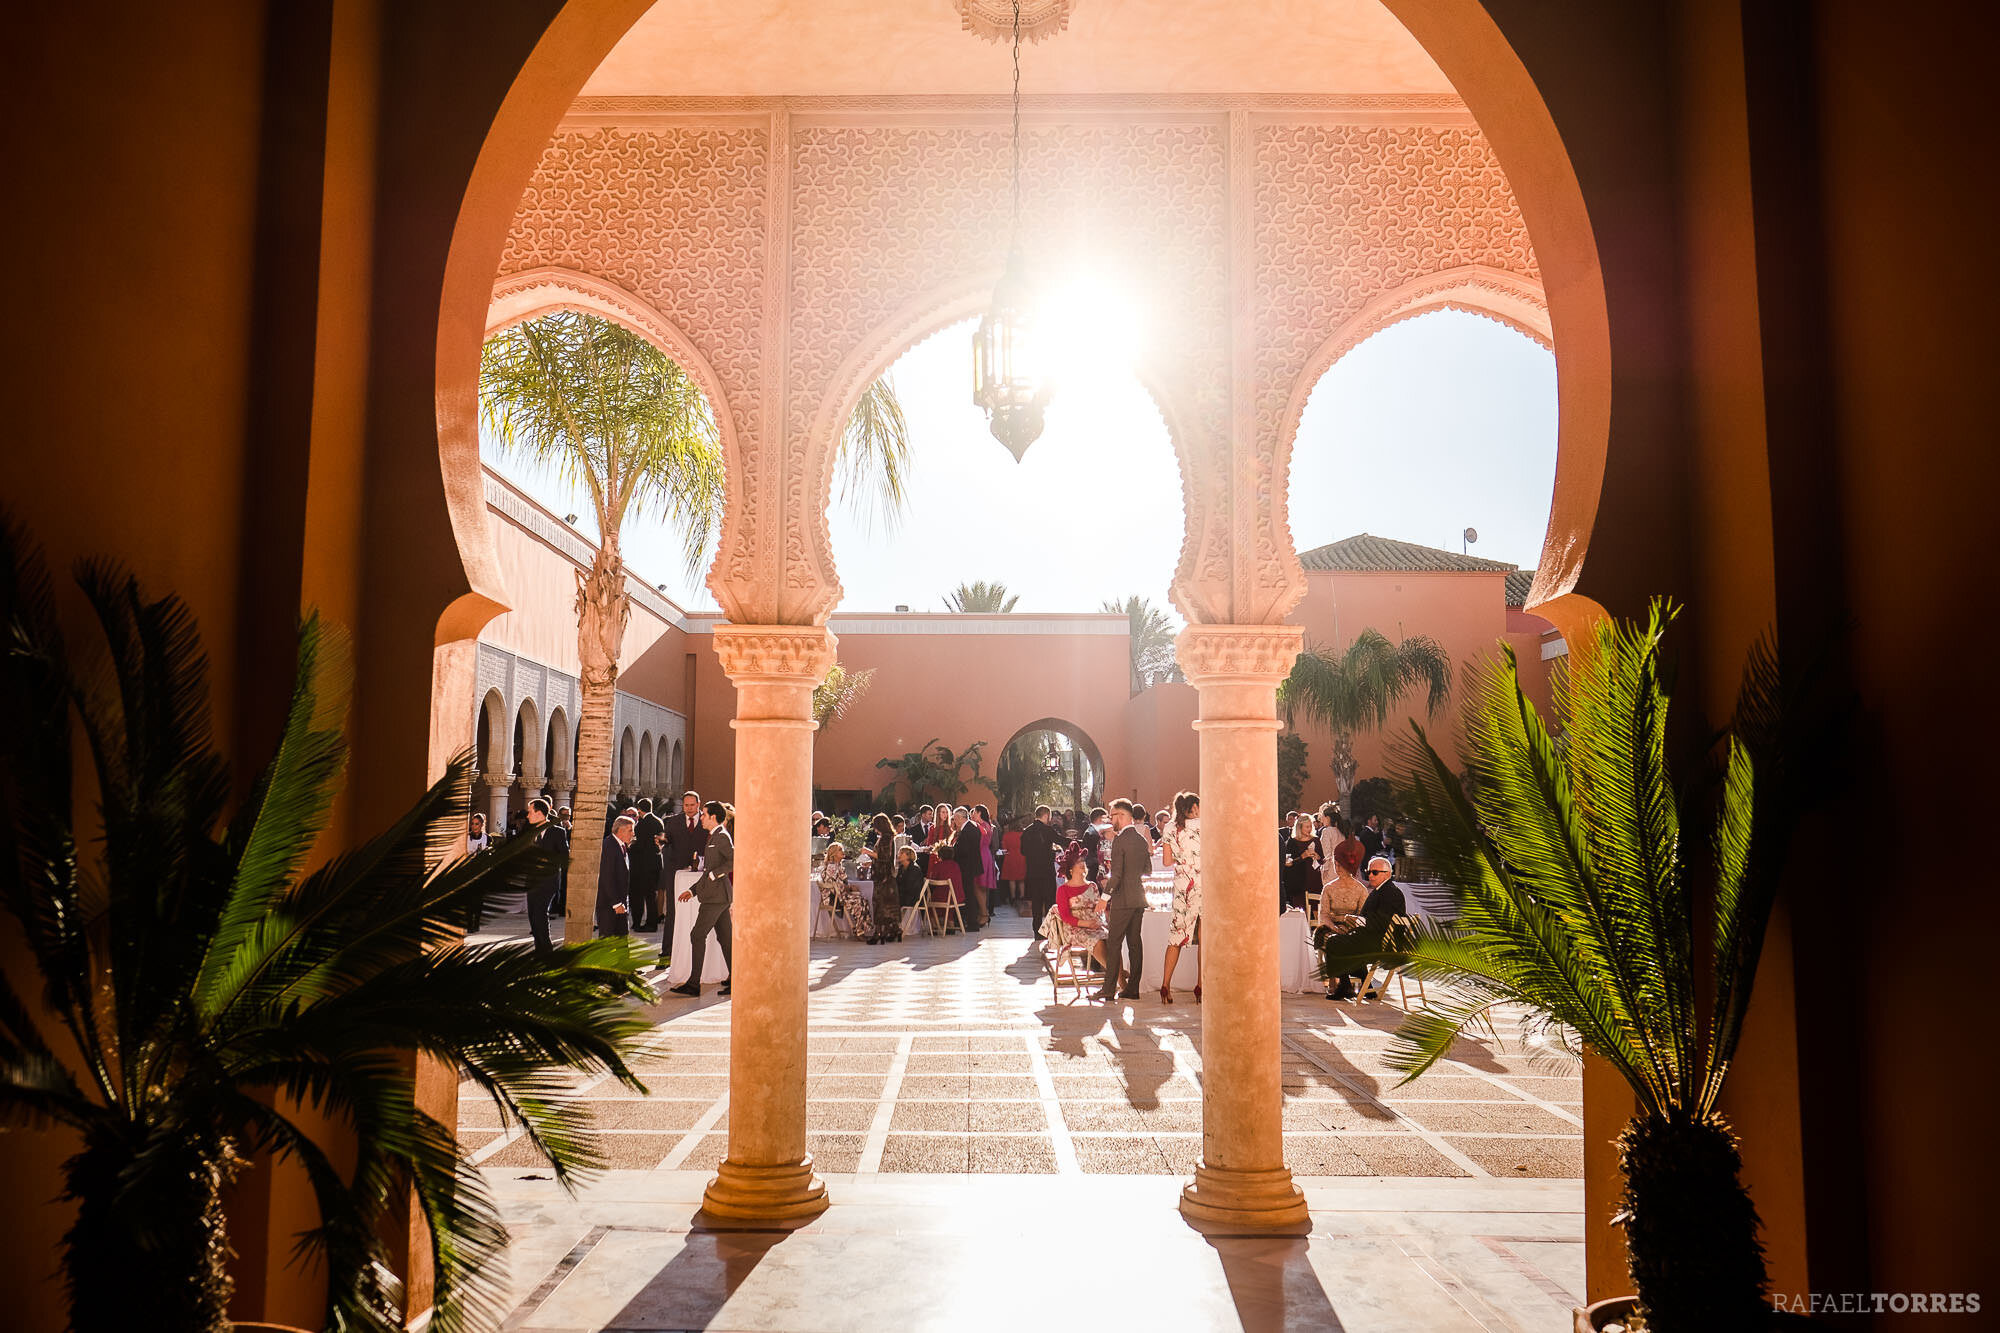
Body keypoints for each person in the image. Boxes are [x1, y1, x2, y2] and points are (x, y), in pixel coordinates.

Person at [670, 801, 733, 996]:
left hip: (716, 897)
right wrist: (693, 890)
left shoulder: (721, 836)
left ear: (713, 817)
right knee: (725, 939)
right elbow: (707, 871)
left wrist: (716, 874)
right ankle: (737, 979)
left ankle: (694, 984)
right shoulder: (714, 836)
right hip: (716, 896)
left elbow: (735, 859)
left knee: (697, 935)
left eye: (704, 814)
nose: (701, 817)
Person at [1092, 799, 1150, 1003]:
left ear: (1123, 816)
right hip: (1138, 898)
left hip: (1122, 900)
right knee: (1135, 943)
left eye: (1112, 814)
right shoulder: (1142, 840)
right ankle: (1132, 988)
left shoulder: (1120, 841)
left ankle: (1108, 990)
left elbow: (1115, 875)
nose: (1110, 819)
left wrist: (1104, 898)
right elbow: (1147, 870)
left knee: (1114, 943)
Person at [1159, 791, 1202, 1004]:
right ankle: (1201, 986)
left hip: (1182, 884)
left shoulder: (1169, 828)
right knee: (1205, 938)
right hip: (1203, 883)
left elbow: (1167, 861)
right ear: (1195, 808)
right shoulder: (1205, 825)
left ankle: (1165, 984)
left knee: (1176, 936)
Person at [1316, 837, 1369, 999]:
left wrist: (1350, 924)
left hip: (1353, 927)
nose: (1336, 868)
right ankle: (1349, 980)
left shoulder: (1361, 890)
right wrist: (1333, 926)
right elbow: (1323, 914)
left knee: (1345, 940)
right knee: (1331, 938)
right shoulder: (1329, 888)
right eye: (1335, 865)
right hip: (1331, 926)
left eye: (1340, 865)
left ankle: (1345, 983)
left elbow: (1363, 916)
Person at [660, 789, 707, 960]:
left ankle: (698, 954)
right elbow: (668, 842)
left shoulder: (706, 820)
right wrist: (662, 841)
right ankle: (667, 953)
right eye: (686, 805)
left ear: (698, 804)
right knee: (673, 911)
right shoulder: (673, 822)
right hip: (677, 874)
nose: (689, 808)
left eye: (692, 805)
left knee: (699, 912)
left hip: (701, 874)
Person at [1355, 855, 1409, 1000]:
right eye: (1369, 872)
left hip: (1386, 943)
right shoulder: (1379, 890)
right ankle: (1359, 986)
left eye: (1375, 872)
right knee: (1337, 940)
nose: (1370, 876)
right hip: (1376, 937)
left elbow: (1382, 921)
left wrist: (1359, 922)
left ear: (1388, 874)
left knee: (1339, 944)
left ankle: (1354, 985)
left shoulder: (1391, 893)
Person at [1049, 843, 1107, 969]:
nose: (1082, 863)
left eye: (1082, 860)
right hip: (1075, 929)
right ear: (1070, 869)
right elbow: (1065, 917)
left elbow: (1099, 910)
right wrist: (1086, 924)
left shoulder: (1092, 886)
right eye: (1077, 861)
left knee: (1115, 940)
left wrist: (1099, 921)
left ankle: (1115, 974)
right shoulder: (1063, 890)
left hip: (1095, 925)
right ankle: (1118, 976)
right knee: (1098, 941)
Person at [524, 797, 568, 956]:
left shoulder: (557, 832)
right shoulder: (529, 831)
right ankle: (539, 950)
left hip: (548, 881)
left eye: (530, 812)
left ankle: (547, 951)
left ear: (539, 813)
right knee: (532, 916)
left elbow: (564, 856)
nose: (527, 816)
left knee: (540, 914)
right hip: (531, 880)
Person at [1021, 804, 1062, 929]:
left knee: (1036, 902)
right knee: (1049, 901)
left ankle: (1037, 930)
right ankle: (1049, 930)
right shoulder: (1047, 830)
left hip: (1032, 872)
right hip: (1047, 872)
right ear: (1046, 815)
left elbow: (1022, 851)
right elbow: (1060, 840)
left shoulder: (1026, 831)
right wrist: (1077, 842)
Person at [821, 841, 870, 942]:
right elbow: (835, 885)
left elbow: (841, 882)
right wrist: (849, 888)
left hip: (840, 896)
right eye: (840, 850)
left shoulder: (837, 866)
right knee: (859, 902)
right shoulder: (832, 867)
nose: (843, 852)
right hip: (834, 898)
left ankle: (860, 929)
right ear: (834, 854)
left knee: (863, 900)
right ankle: (859, 931)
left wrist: (850, 887)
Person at [596, 814, 635, 937]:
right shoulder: (609, 846)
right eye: (630, 830)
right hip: (609, 906)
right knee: (608, 944)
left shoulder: (621, 845)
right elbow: (606, 877)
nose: (633, 834)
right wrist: (616, 903)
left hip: (620, 904)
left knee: (622, 942)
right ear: (620, 830)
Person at [629, 797, 665, 932]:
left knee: (640, 895)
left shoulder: (642, 824)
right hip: (655, 864)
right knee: (651, 895)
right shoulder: (658, 821)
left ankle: (645, 924)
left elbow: (639, 844)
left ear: (639, 809)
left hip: (642, 866)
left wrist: (630, 846)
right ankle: (651, 922)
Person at [869, 812, 901, 943]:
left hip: (882, 876)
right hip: (888, 876)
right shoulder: (889, 837)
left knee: (880, 904)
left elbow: (883, 856)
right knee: (889, 905)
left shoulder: (885, 838)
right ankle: (893, 931)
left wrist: (868, 852)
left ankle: (878, 933)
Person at [950, 806, 984, 929]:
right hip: (968, 865)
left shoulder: (969, 829)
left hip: (967, 866)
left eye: (955, 818)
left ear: (960, 818)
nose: (954, 821)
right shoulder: (970, 827)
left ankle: (972, 922)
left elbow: (965, 850)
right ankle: (967, 920)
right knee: (968, 893)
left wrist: (953, 850)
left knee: (968, 894)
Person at [1279, 813, 1320, 914]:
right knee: (1300, 910)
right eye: (1307, 827)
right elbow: (1288, 863)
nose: (1309, 829)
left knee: (1316, 909)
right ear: (1299, 827)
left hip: (1314, 879)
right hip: (1298, 882)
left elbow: (1322, 860)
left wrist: (1318, 857)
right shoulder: (1292, 842)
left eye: (1310, 826)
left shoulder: (1316, 840)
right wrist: (1303, 856)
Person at [1000, 819, 1026, 913]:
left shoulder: (1006, 836)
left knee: (1012, 879)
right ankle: (1022, 896)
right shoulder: (1023, 835)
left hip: (1010, 857)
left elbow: (1004, 848)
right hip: (1022, 857)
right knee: (1021, 879)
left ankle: (1013, 897)